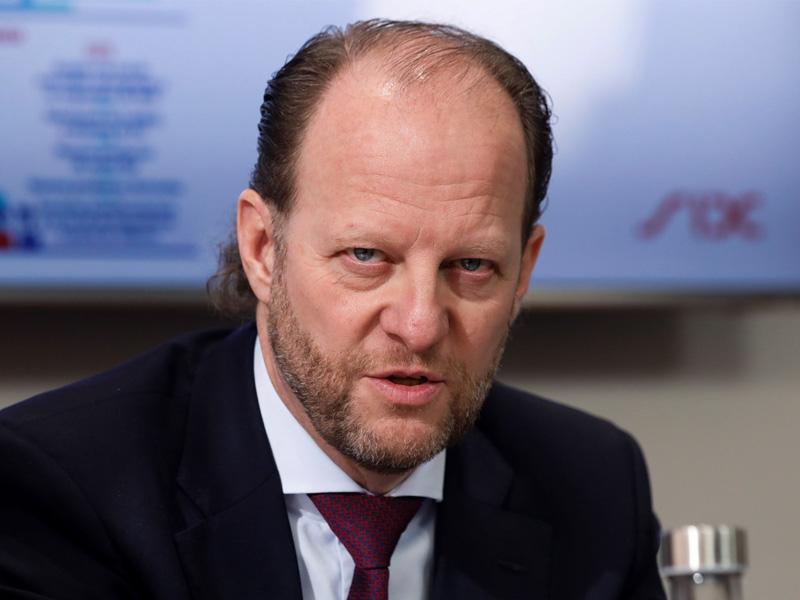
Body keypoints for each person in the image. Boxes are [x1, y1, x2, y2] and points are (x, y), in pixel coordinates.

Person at [0, 19, 666, 600]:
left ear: (524, 272)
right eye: (366, 256)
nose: (419, 324)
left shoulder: (592, 488)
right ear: (263, 248)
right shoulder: (68, 484)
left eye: (471, 266)